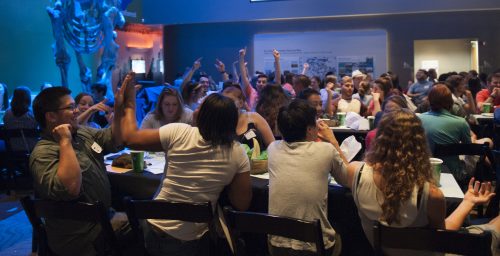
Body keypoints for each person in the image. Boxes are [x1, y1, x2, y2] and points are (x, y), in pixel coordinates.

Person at [114, 73, 252, 256]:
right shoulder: (237, 151)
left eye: (199, 108)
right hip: (192, 240)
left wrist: (130, 103)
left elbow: (129, 138)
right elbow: (242, 204)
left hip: (153, 229)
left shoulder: (179, 132)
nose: (194, 110)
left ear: (205, 117)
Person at [347, 109, 499, 255]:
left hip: (381, 251)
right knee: (494, 226)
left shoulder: (355, 172)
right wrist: (468, 201)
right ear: (420, 143)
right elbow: (443, 238)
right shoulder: (431, 195)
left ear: (379, 137)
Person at [29, 87, 127, 255]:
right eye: (70, 107)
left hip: (104, 219)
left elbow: (115, 138)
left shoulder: (81, 133)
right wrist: (65, 141)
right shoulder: (43, 152)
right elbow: (70, 189)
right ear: (51, 116)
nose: (76, 111)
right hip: (81, 236)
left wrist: (119, 107)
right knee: (150, 227)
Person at [268, 99, 348, 256]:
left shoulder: (273, 149)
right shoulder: (326, 150)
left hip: (276, 245)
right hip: (315, 247)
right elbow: (348, 179)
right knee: (344, 232)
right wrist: (332, 140)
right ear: (311, 129)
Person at [3, 86, 38, 152]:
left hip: (13, 149)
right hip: (32, 149)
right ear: (28, 98)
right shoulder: (32, 114)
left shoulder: (7, 113)